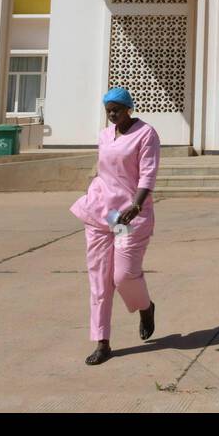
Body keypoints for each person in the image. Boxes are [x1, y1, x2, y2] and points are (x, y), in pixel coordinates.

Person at [70, 87, 159, 365]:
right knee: (99, 279)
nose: (112, 114)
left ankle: (145, 307)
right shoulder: (105, 135)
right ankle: (102, 342)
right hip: (102, 214)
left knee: (122, 276)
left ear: (128, 108)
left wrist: (136, 205)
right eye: (108, 109)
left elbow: (148, 172)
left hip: (127, 218)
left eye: (117, 109)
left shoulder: (146, 134)